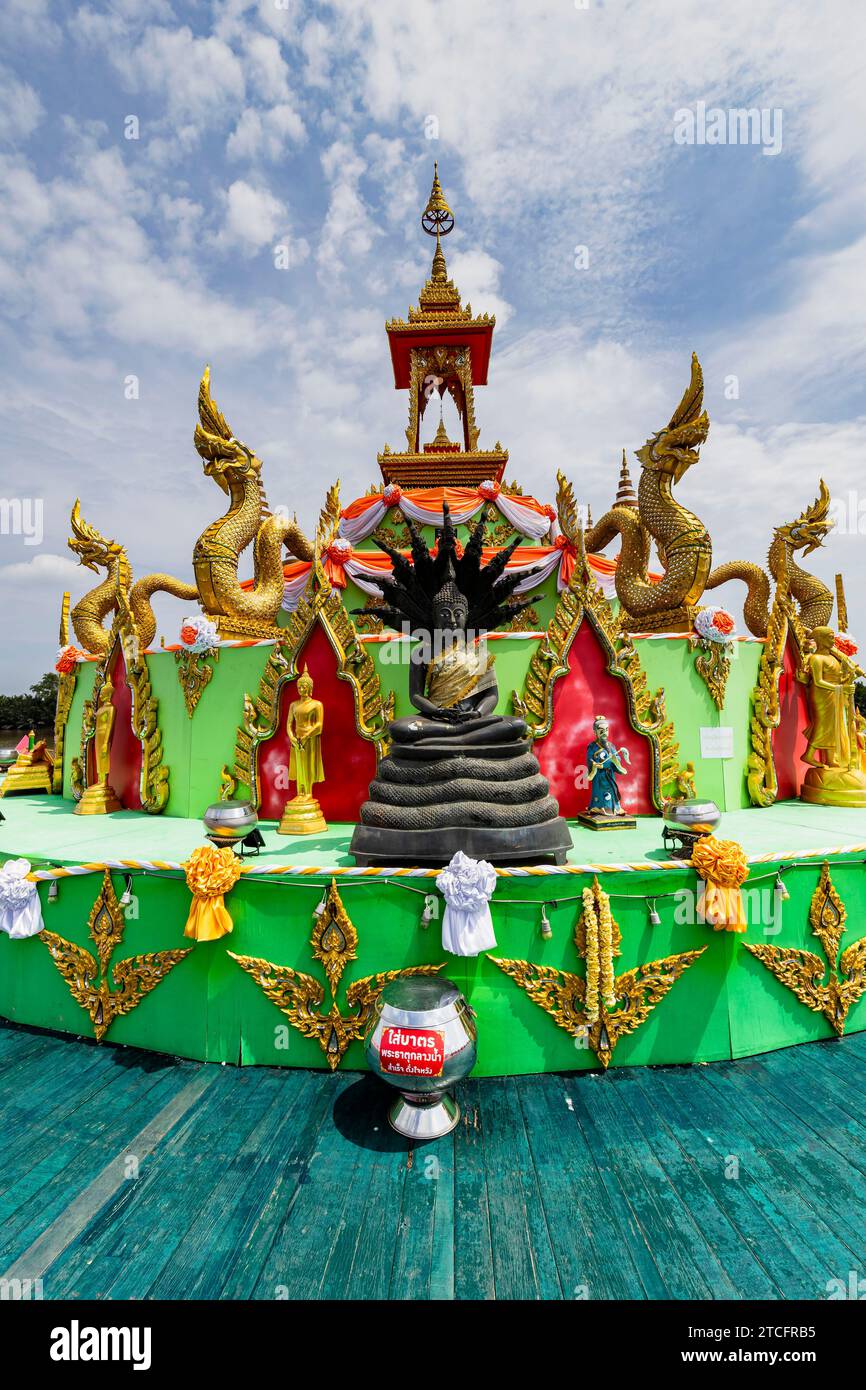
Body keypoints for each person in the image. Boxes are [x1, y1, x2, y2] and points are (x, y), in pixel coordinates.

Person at [585, 715, 630, 816]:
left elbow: (617, 759)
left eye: (606, 730)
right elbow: (590, 760)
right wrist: (594, 765)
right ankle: (598, 808)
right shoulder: (592, 747)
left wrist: (615, 760)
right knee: (600, 793)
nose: (604, 733)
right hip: (599, 775)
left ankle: (616, 808)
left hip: (609, 774)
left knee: (612, 792)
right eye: (601, 730)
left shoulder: (611, 746)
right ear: (595, 732)